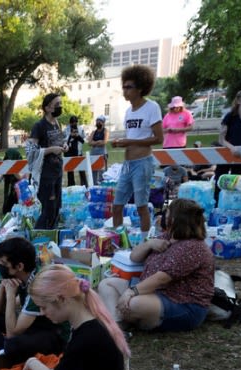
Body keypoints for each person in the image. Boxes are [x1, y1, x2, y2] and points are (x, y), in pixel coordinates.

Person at [0, 264, 129, 370]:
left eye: (43, 307)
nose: (42, 313)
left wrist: (32, 361)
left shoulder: (88, 336)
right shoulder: (87, 321)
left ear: (61, 299)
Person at [98, 198, 214, 332]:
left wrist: (131, 291)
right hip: (155, 292)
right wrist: (149, 244)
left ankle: (127, 320)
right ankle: (118, 325)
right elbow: (134, 257)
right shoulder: (168, 236)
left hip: (183, 303)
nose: (165, 216)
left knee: (134, 303)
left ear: (176, 219)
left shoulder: (193, 247)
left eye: (168, 213)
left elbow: (161, 278)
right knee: (106, 284)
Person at [0, 235, 68, 370]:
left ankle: (3, 350)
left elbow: (12, 333)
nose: (1, 267)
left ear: (19, 266)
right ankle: (0, 350)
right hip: (32, 324)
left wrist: (11, 295)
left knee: (13, 343)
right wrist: (3, 288)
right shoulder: (20, 274)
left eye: (4, 264)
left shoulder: (37, 284)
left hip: (53, 333)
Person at [111, 65, 164, 236]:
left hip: (143, 163)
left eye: (129, 87)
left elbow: (158, 138)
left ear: (140, 88)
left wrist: (130, 141)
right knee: (117, 205)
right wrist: (121, 143)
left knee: (141, 206)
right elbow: (133, 137)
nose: (125, 91)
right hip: (127, 164)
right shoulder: (128, 111)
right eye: (124, 87)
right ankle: (118, 240)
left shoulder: (152, 107)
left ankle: (144, 242)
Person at [27, 93, 66, 230]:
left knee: (56, 208)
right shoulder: (39, 126)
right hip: (45, 174)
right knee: (48, 209)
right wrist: (50, 150)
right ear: (48, 108)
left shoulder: (57, 123)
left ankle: (51, 237)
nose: (60, 107)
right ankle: (38, 236)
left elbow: (59, 142)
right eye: (57, 105)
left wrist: (63, 146)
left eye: (61, 103)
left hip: (57, 171)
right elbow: (30, 152)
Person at [1, 147, 24, 215]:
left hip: (23, 193)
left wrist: (11, 167)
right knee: (7, 210)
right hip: (13, 193)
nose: (6, 158)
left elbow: (20, 177)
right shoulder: (6, 165)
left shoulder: (23, 164)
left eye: (8, 157)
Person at [64, 116, 86, 186]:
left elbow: (83, 140)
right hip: (69, 152)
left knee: (81, 169)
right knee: (70, 171)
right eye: (72, 122)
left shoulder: (80, 129)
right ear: (70, 123)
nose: (74, 124)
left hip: (78, 151)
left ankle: (84, 185)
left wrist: (77, 135)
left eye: (76, 122)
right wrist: (70, 135)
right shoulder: (66, 130)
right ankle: (71, 186)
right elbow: (63, 141)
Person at [88, 115, 109, 180]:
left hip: (102, 153)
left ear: (103, 123)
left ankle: (102, 185)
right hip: (93, 153)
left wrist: (94, 143)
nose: (98, 123)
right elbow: (89, 142)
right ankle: (94, 184)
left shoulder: (105, 131)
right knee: (93, 170)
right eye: (97, 121)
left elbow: (104, 142)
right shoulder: (93, 132)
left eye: (99, 121)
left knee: (102, 171)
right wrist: (98, 142)